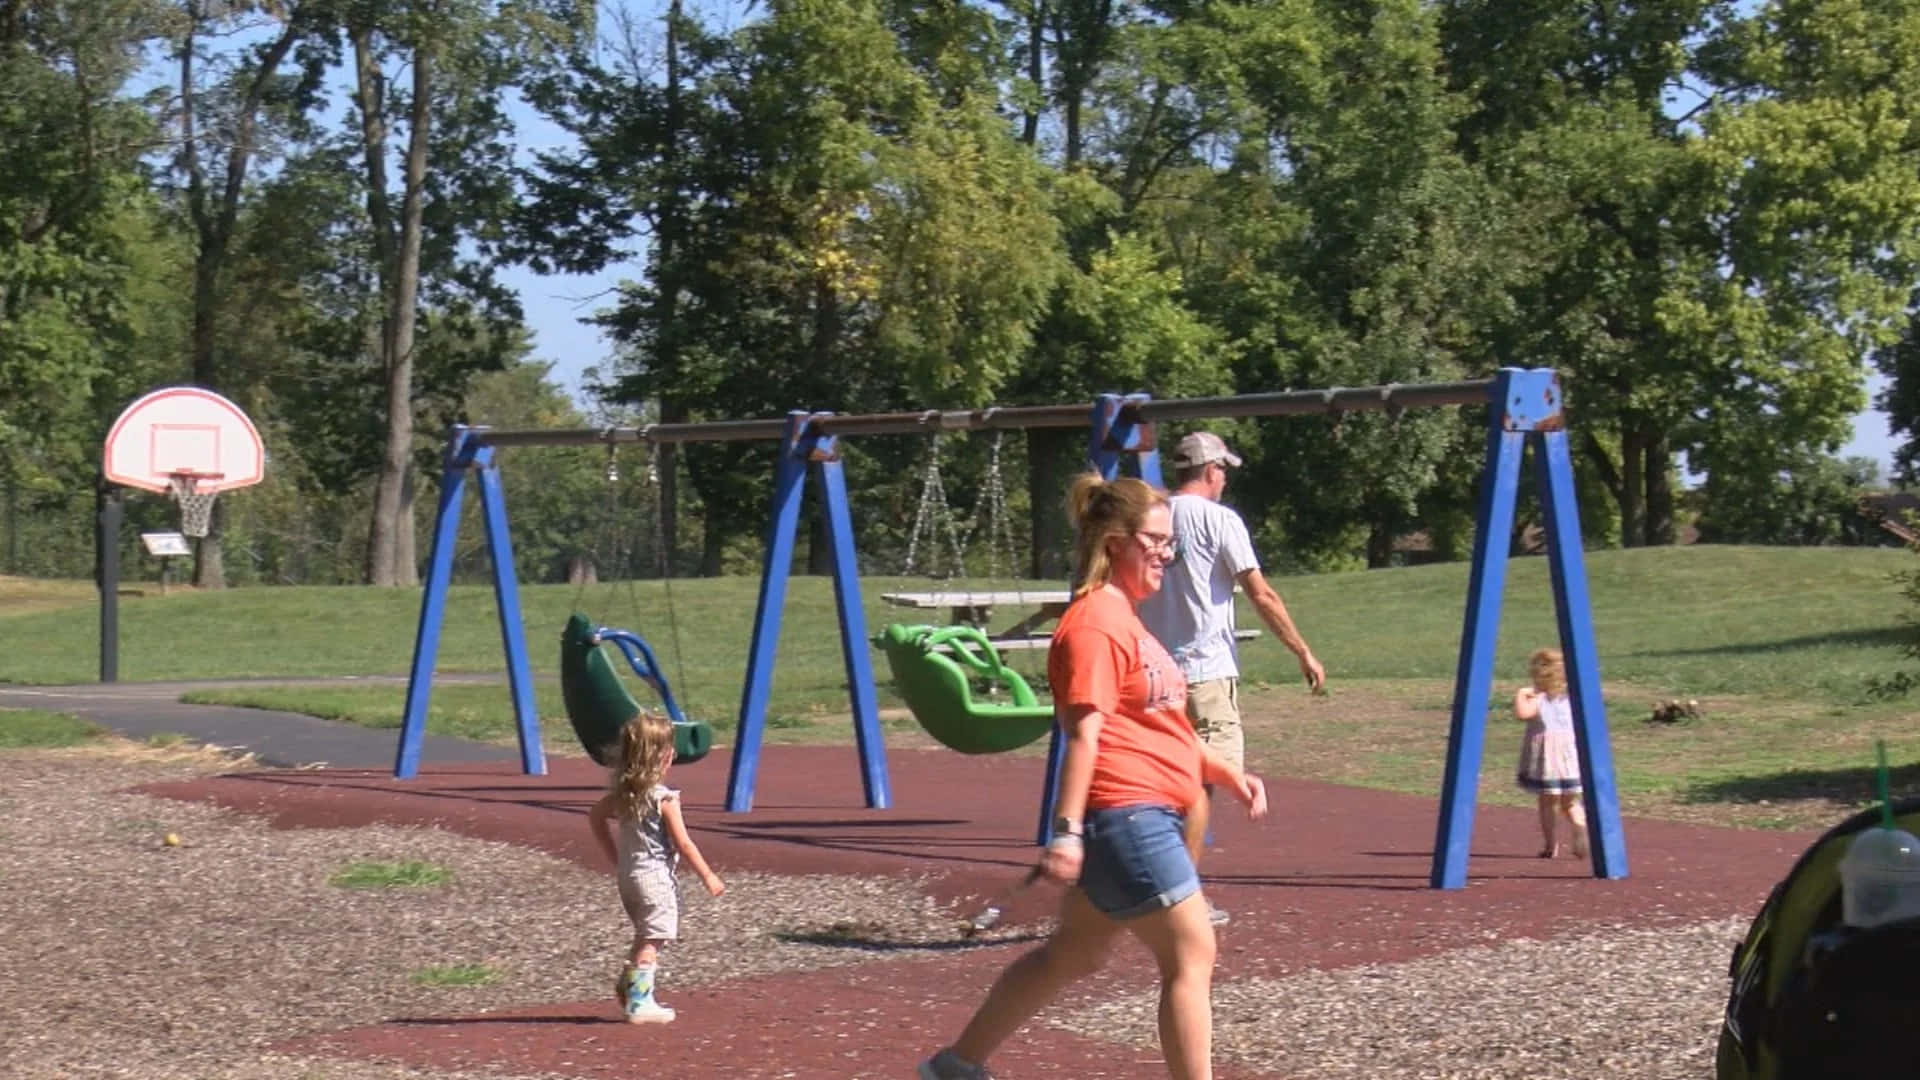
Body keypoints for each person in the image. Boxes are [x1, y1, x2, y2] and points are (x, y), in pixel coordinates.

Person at [918, 473, 1268, 1080]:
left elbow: (1154, 725)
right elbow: (1085, 735)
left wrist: (1222, 771)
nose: (1167, 553)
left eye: (1170, 542)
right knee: (1191, 952)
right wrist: (1065, 832)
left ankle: (957, 1065)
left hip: (1143, 811)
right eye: (1156, 541)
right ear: (1114, 542)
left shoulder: (1126, 619)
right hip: (1128, 817)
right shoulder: (1094, 625)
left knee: (1072, 954)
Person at [1137, 430, 1325, 921]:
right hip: (1206, 671)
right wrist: (1303, 650)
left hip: (1155, 673)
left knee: (1161, 779)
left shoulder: (1152, 515)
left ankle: (1156, 877)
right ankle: (1183, 893)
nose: (1224, 480)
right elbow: (1261, 594)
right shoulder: (1221, 520)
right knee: (1203, 785)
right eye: (1223, 472)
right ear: (1213, 470)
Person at [587, 710, 726, 1024]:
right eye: (670, 750)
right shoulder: (663, 799)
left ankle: (628, 984)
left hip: (629, 877)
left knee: (644, 933)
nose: (673, 755)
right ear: (662, 757)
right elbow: (685, 844)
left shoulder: (625, 796)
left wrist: (616, 857)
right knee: (655, 939)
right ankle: (639, 1002)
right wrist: (708, 876)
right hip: (654, 880)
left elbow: (594, 817)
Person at [1513, 647, 1588, 858]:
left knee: (1547, 803)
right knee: (1571, 802)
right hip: (1569, 757)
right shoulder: (1569, 700)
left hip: (1547, 762)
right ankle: (1580, 829)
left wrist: (1520, 695)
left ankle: (1550, 845)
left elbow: (1522, 714)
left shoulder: (1538, 700)